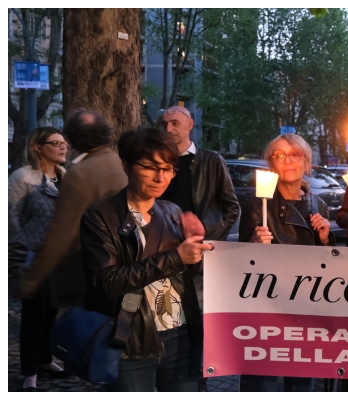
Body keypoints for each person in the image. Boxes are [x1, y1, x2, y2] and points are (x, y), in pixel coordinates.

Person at [79, 127, 213, 391]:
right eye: (150, 167)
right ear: (126, 165)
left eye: (168, 169)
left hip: (181, 335)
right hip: (132, 340)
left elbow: (184, 276)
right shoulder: (101, 216)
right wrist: (176, 256)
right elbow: (108, 282)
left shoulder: (172, 211)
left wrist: (196, 250)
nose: (160, 177)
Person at [237, 134, 333, 391]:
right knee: (261, 384)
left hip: (305, 310)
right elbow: (240, 268)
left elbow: (330, 269)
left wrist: (325, 240)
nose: (287, 160)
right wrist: (254, 248)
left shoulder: (319, 205)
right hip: (267, 313)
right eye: (279, 155)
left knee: (302, 383)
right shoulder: (257, 205)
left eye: (295, 154)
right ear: (271, 164)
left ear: (307, 162)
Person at [20, 109, 129, 307]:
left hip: (87, 276)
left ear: (73, 139)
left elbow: (61, 234)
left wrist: (31, 281)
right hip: (123, 270)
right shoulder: (121, 164)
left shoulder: (79, 174)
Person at [8, 127, 69, 391]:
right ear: (38, 147)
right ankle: (29, 370)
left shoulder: (64, 177)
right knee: (34, 315)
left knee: (51, 311)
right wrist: (18, 257)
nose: (62, 147)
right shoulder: (23, 177)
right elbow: (11, 218)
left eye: (64, 143)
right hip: (32, 257)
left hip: (60, 258)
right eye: (55, 143)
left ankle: (44, 359)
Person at [158, 106, 240, 241]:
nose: (168, 129)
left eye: (175, 123)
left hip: (201, 245)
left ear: (190, 124)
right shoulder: (159, 162)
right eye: (165, 124)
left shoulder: (212, 161)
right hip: (166, 242)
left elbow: (232, 208)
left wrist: (208, 232)